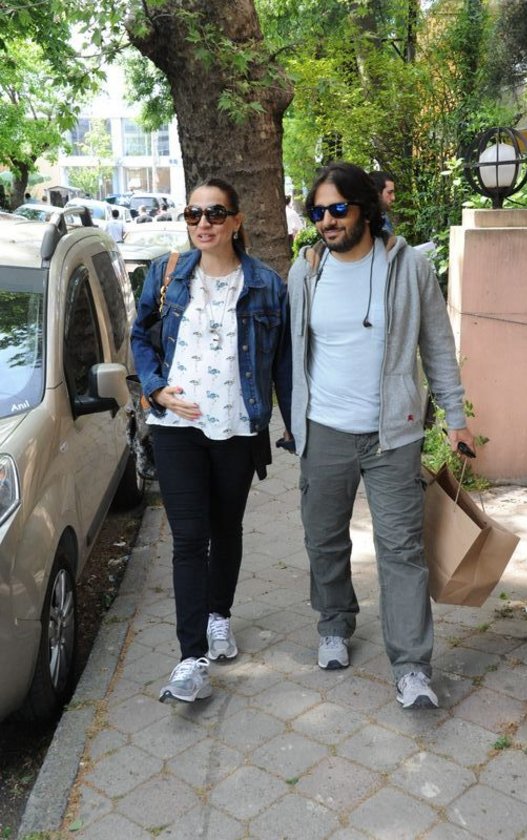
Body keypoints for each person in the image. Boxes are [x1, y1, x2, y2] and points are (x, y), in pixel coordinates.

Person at [287, 161, 475, 710]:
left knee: (402, 549)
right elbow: (292, 350)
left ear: (365, 209)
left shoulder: (410, 267)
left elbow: (437, 345)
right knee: (323, 537)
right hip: (324, 429)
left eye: (337, 209)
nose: (327, 221)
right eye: (318, 212)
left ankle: (412, 666)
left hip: (393, 434)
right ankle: (334, 623)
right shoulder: (306, 271)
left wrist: (456, 416)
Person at [131, 176, 292, 704]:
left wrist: (295, 427)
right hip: (176, 429)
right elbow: (140, 336)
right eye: (193, 214)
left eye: (216, 213)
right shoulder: (167, 271)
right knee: (188, 540)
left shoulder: (266, 284)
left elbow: (282, 364)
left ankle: (219, 614)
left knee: (226, 528)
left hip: (237, 427)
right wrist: (155, 389)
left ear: (236, 221)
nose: (203, 223)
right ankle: (190, 659)